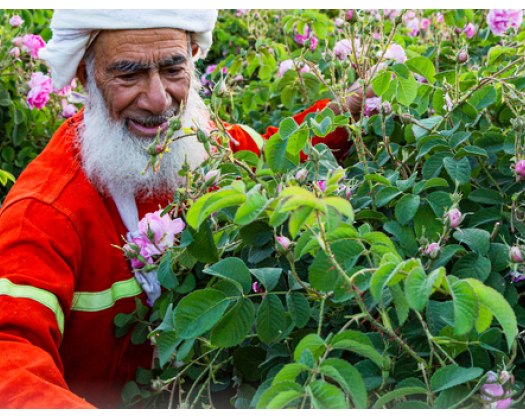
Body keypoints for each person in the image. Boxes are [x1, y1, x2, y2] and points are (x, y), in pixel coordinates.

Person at [0, 10, 365, 408]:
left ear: (192, 56)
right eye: (128, 75)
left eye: (173, 69)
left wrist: (344, 113)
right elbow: (9, 356)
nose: (158, 99)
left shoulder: (199, 143)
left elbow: (273, 152)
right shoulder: (46, 210)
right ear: (86, 78)